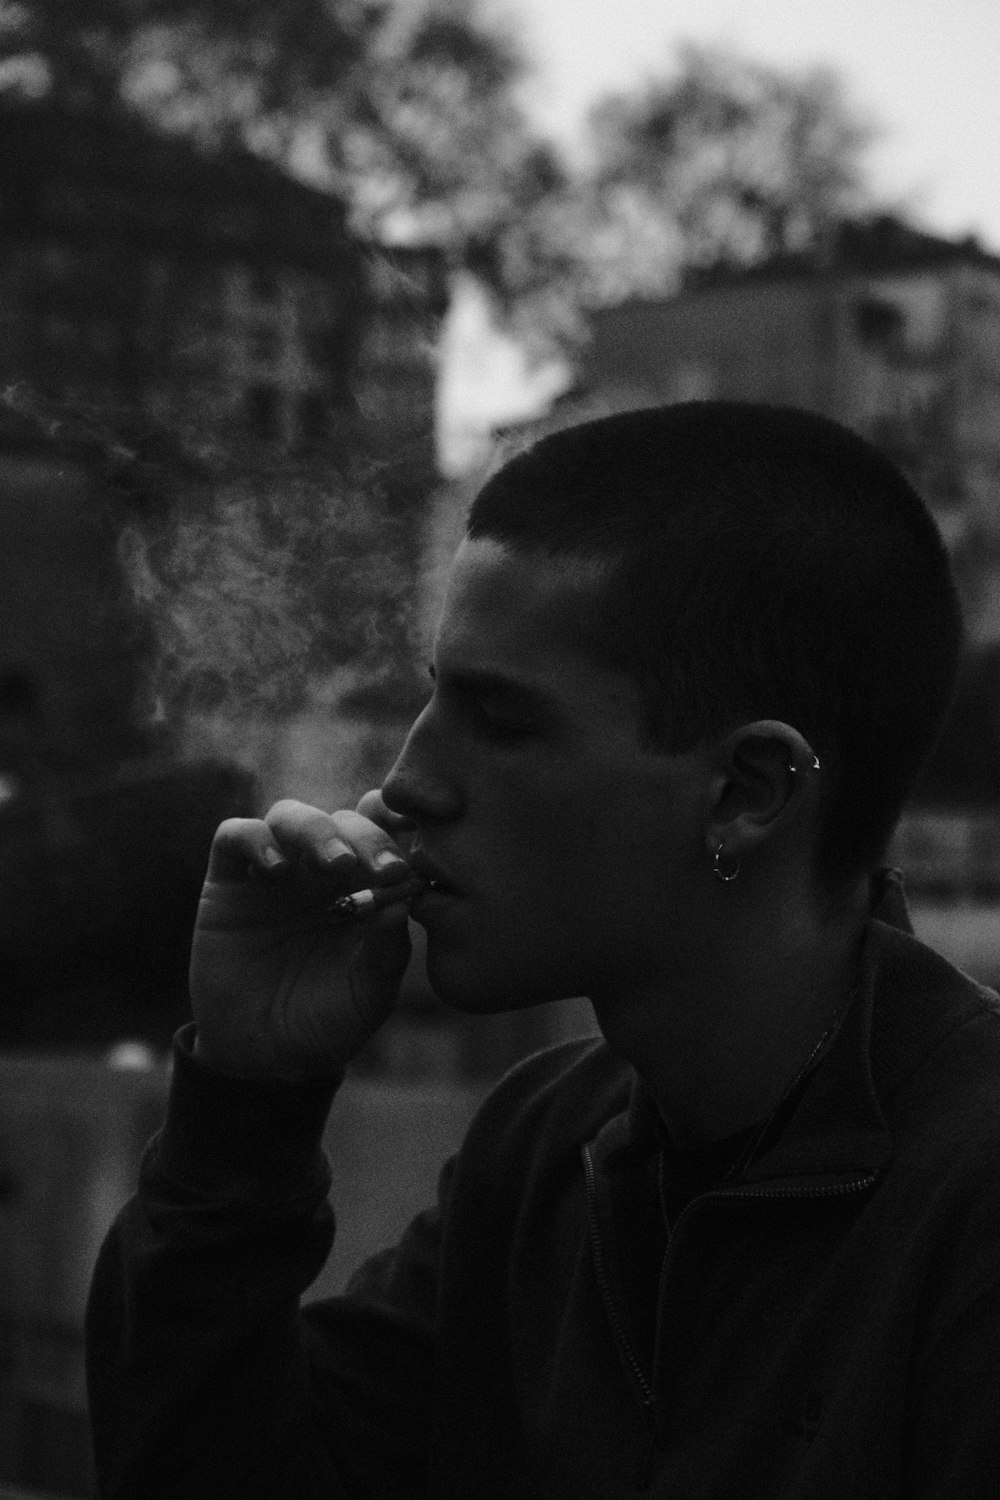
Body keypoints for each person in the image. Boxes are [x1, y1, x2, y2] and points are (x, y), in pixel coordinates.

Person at [85, 402, 1000, 1499]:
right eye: (435, 698)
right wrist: (244, 1100)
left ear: (747, 794)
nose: (406, 781)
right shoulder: (541, 1152)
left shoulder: (969, 1199)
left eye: (503, 721)